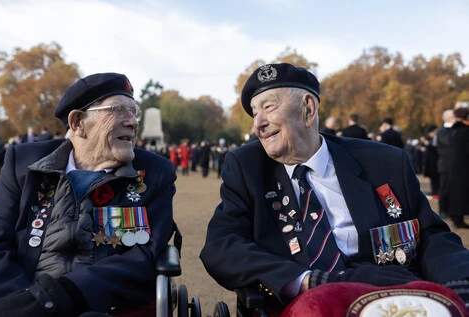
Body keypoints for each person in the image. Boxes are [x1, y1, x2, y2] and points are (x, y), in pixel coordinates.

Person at [200, 63, 469, 313]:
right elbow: (221, 246)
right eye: (254, 112)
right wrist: (306, 280)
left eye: (268, 108)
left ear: (308, 109)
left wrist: (459, 285)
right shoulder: (247, 167)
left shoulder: (383, 162)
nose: (257, 124)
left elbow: (432, 236)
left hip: (392, 300)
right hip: (306, 306)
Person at [0, 73, 177, 316]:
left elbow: (142, 257)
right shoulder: (23, 163)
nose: (133, 122)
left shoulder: (155, 173)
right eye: (119, 110)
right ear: (78, 122)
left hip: (98, 306)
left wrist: (62, 296)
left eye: (135, 112)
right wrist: (22, 303)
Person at [448, 107, 469, 229]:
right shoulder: (465, 131)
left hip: (455, 163)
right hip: (464, 164)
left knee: (457, 191)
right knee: (461, 192)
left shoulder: (454, 130)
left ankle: (456, 216)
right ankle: (458, 217)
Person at [437, 109, 456, 218]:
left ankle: (450, 210)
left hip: (452, 165)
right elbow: (449, 142)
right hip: (445, 165)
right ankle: (443, 210)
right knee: (445, 188)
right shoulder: (442, 131)